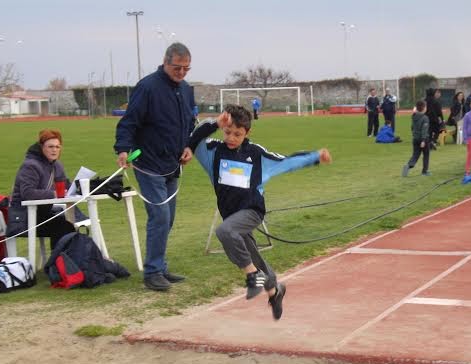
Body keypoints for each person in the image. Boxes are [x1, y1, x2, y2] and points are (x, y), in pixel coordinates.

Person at [183, 105, 332, 320]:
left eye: (238, 134)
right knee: (251, 255)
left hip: (251, 211)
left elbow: (287, 162)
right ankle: (274, 291)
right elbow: (194, 138)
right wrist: (215, 123)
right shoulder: (213, 152)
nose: (231, 138)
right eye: (228, 132)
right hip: (232, 216)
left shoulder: (256, 154)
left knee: (225, 232)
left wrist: (316, 156)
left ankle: (252, 276)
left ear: (247, 133)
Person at [114, 42, 195, 291]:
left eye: (186, 68)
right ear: (165, 62)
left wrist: (189, 146)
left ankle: (160, 266)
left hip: (172, 164)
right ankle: (152, 273)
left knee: (168, 218)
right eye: (177, 68)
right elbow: (129, 121)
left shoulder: (187, 90)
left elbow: (189, 123)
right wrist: (123, 149)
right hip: (148, 163)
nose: (181, 73)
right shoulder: (147, 87)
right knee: (159, 216)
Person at [6, 129, 76, 248]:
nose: (54, 150)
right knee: (62, 227)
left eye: (57, 147)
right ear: (41, 147)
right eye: (50, 146)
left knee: (67, 226)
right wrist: (54, 194)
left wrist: (80, 186)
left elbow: (65, 185)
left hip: (43, 213)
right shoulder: (30, 165)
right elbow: (27, 193)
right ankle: (58, 263)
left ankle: (64, 262)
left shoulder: (57, 165)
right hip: (24, 217)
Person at [401, 100, 431, 177]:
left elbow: (412, 127)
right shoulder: (425, 118)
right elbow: (424, 130)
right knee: (426, 155)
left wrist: (415, 135)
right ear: (424, 108)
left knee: (415, 154)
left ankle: (409, 165)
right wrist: (423, 140)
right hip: (423, 139)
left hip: (415, 138)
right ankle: (425, 171)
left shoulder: (414, 116)